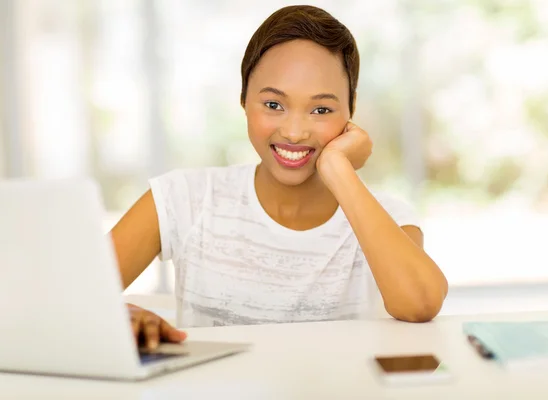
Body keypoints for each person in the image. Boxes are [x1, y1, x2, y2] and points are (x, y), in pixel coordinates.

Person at [111, 5, 448, 350]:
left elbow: (420, 303)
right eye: (273, 105)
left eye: (321, 110)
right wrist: (118, 315)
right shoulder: (182, 198)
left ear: (351, 109)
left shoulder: (385, 216)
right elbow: (64, 302)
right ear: (243, 99)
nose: (295, 132)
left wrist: (337, 169)